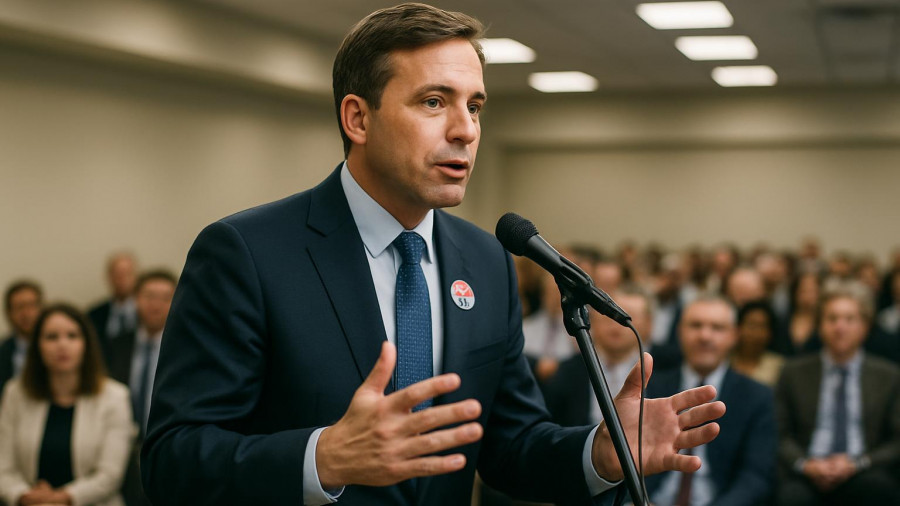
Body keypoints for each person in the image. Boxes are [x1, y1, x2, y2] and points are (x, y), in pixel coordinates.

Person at [141, 4, 725, 505]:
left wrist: (599, 451)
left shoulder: (485, 258)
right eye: (433, 102)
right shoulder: (247, 252)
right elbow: (173, 461)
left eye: (474, 106)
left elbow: (508, 443)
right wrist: (323, 457)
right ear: (358, 118)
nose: (466, 130)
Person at [645, 295, 776, 506]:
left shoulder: (757, 396)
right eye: (695, 325)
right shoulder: (651, 388)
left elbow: (756, 475)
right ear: (679, 331)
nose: (705, 336)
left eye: (717, 328)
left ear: (734, 336)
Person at [775, 289, 900, 505]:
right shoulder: (793, 372)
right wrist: (805, 464)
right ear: (820, 325)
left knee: (879, 490)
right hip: (808, 469)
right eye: (832, 318)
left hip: (864, 469)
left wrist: (859, 463)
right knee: (790, 497)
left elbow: (896, 439)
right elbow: (779, 431)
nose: (840, 327)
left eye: (850, 319)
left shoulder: (888, 376)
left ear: (865, 326)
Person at [0, 304, 134, 506]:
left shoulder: (115, 396)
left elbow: (109, 476)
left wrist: (59, 498)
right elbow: (4, 467)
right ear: (37, 345)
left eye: (72, 336)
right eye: (51, 337)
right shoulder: (16, 393)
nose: (62, 345)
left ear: (86, 344)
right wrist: (25, 496)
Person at [107, 270, 177, 506]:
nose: (155, 304)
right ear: (135, 299)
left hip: (167, 449)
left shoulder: (185, 350)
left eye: (165, 297)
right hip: (119, 451)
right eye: (148, 296)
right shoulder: (115, 344)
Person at [544, 288, 651, 427]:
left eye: (628, 315)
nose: (616, 323)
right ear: (592, 321)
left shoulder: (663, 372)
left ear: (649, 324)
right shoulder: (567, 372)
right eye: (609, 315)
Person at [88, 252, 139, 360]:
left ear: (136, 276)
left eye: (127, 274)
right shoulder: (94, 314)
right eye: (117, 274)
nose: (122, 280)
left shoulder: (146, 313)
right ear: (108, 277)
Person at [1, 280, 43, 400]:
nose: (26, 314)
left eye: (31, 305)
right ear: (9, 313)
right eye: (19, 307)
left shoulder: (58, 345)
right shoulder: (3, 352)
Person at [731, 301, 784, 387]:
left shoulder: (779, 366)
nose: (755, 332)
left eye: (761, 326)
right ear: (738, 328)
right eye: (751, 325)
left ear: (770, 332)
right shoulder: (724, 360)